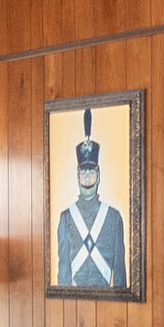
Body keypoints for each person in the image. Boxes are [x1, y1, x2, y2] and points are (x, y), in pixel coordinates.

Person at [56, 109, 129, 290]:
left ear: (98, 174)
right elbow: (63, 272)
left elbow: (119, 273)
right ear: (77, 175)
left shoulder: (114, 217)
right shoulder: (66, 218)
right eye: (83, 172)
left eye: (91, 171)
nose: (87, 177)